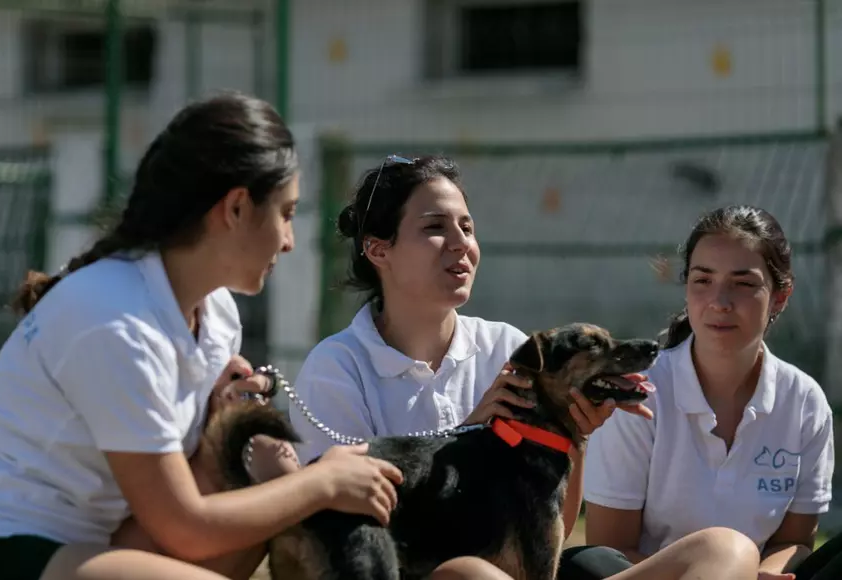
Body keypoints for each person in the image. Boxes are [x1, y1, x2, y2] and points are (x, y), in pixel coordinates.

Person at [0, 92, 496, 580]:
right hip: (9, 545)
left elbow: (214, 484)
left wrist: (240, 435)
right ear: (237, 208)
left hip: (106, 538)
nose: (290, 241)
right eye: (287, 214)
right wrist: (323, 481)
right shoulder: (114, 318)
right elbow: (184, 524)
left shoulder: (216, 311)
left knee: (259, 485)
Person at [287, 154, 766, 580]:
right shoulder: (337, 368)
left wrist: (571, 437)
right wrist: (467, 435)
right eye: (435, 228)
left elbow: (550, 527)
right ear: (379, 250)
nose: (461, 244)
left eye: (468, 228)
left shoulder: (509, 348)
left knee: (724, 548)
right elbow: (340, 521)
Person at [583, 205, 840, 580]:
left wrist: (764, 574)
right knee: (718, 549)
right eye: (703, 280)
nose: (720, 301)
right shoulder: (640, 392)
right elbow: (610, 550)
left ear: (781, 296)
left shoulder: (805, 402)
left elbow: (795, 542)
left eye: (743, 283)